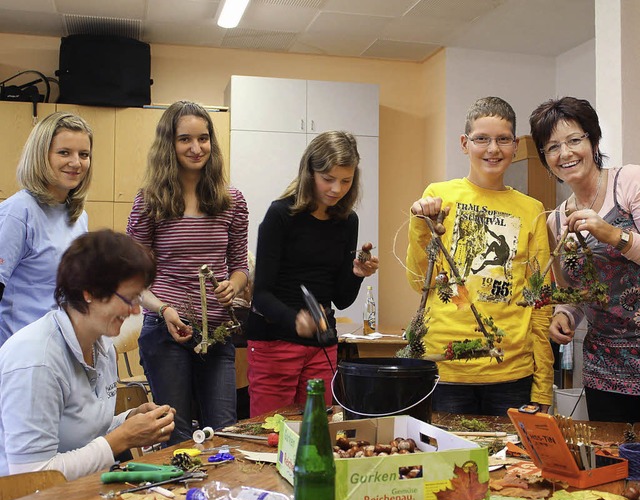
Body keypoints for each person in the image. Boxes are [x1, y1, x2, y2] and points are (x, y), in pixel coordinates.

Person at [406, 96, 554, 416]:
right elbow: (420, 281)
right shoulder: (439, 195)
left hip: (511, 375)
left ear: (515, 146)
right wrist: (420, 226)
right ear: (464, 143)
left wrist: (543, 384)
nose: (493, 149)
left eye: (503, 140)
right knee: (447, 465)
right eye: (482, 139)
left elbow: (541, 304)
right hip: (445, 371)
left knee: (515, 466)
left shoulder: (532, 211)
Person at [0, 230, 176, 481]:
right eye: (128, 298)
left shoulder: (101, 345)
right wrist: (121, 438)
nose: (136, 310)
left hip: (74, 496)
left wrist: (129, 421)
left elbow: (81, 435)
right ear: (89, 291)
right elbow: (31, 477)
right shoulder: (36, 361)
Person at [127, 101, 249, 444]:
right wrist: (164, 310)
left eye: (204, 138)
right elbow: (134, 280)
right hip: (166, 331)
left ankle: (219, 497)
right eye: (185, 140)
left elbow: (239, 267)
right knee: (176, 435)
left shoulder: (232, 201)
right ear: (170, 144)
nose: (197, 148)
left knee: (224, 432)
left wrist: (233, 286)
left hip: (218, 332)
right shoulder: (150, 201)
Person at [246, 130, 379, 417]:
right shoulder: (280, 215)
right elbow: (261, 295)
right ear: (310, 173)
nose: (336, 189)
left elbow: (341, 300)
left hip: (321, 346)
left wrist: (357, 273)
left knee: (318, 431)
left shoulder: (347, 221)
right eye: (328, 179)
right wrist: (295, 320)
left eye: (346, 180)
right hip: (274, 344)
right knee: (272, 431)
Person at [529, 96, 640, 423]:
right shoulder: (557, 219)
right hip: (603, 365)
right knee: (612, 460)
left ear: (594, 141)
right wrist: (565, 315)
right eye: (552, 147)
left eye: (575, 140)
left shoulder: (628, 182)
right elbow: (577, 290)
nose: (565, 153)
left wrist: (613, 235)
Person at [0, 112, 92, 347]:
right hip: (20, 352)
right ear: (41, 155)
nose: (76, 163)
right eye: (64, 152)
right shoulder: (19, 211)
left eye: (84, 154)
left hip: (61, 349)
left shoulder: (78, 217)